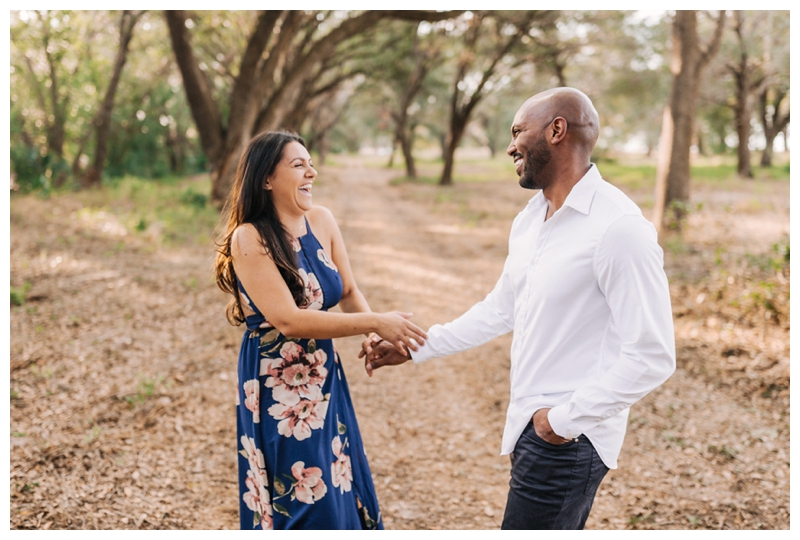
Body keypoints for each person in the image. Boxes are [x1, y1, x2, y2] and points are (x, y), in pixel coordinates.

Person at [361, 87, 676, 530]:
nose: (509, 146)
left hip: (569, 441)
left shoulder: (619, 229)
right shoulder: (531, 217)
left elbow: (652, 355)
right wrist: (419, 346)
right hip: (535, 429)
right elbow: (502, 307)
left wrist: (561, 422)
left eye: (517, 131)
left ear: (556, 130)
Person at [214, 130, 427, 530]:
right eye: (298, 165)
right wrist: (376, 320)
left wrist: (372, 336)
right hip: (278, 387)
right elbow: (289, 319)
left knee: (337, 481)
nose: (311, 172)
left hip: (324, 377)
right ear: (266, 179)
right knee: (301, 497)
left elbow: (347, 289)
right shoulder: (250, 238)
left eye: (310, 163)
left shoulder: (322, 221)